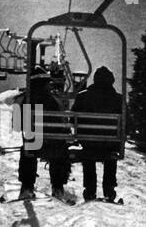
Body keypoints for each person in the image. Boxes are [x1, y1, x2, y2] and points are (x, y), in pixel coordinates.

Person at [15, 73, 71, 201]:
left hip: (34, 144)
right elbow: (63, 123)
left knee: (27, 151)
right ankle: (58, 187)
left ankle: (27, 187)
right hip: (53, 145)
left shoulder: (27, 99)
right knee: (60, 152)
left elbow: (18, 125)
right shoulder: (54, 101)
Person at [74, 66, 123, 203]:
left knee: (89, 155)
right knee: (110, 155)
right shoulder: (118, 99)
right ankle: (109, 190)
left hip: (88, 142)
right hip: (110, 144)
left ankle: (90, 190)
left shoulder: (82, 96)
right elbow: (126, 123)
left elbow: (73, 119)